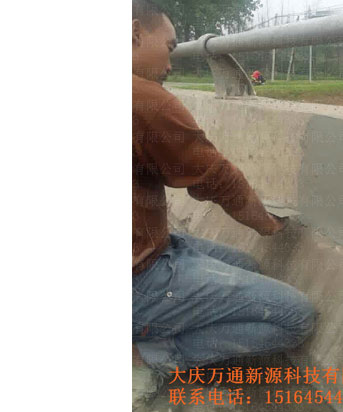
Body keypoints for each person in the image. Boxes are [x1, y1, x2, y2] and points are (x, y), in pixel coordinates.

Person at [132, 0, 317, 393]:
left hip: (147, 246)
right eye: (169, 47)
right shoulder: (142, 98)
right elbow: (216, 179)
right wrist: (266, 224)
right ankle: (148, 354)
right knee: (296, 317)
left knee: (245, 265)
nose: (171, 64)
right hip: (138, 276)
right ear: (134, 34)